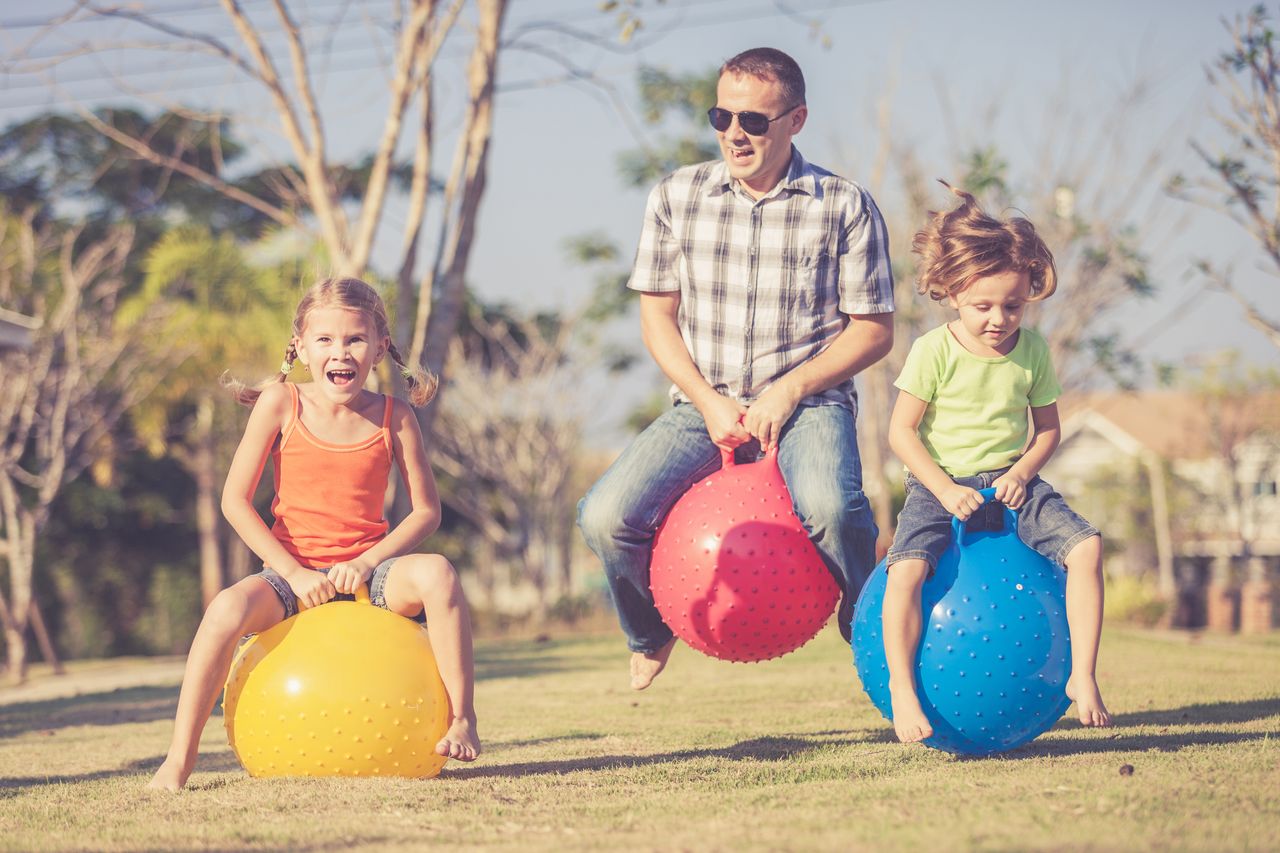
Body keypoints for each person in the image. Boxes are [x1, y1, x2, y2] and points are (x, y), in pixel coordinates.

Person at [577, 47, 895, 690]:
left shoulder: (844, 205)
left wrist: (792, 389)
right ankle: (648, 631)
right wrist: (709, 401)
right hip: (704, 404)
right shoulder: (675, 195)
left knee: (832, 506)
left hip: (811, 403)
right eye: (721, 116)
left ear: (796, 119)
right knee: (604, 516)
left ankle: (868, 625)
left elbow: (874, 330)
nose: (733, 133)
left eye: (753, 120)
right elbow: (657, 318)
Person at [148, 277, 480, 791]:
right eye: (325, 340)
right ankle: (179, 760)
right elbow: (234, 502)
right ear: (301, 348)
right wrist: (295, 573)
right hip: (290, 577)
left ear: (379, 348)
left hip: (372, 578)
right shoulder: (281, 403)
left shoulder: (397, 416)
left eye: (354, 339)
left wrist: (368, 563)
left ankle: (463, 719)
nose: (340, 351)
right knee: (223, 612)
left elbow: (426, 513)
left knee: (438, 572)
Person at [882, 183, 1112, 743]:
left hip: (1013, 483)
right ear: (953, 294)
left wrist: (1021, 473)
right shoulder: (933, 351)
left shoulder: (1031, 351)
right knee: (906, 571)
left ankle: (1082, 674)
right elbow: (901, 432)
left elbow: (1049, 429)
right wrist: (941, 488)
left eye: (1012, 305)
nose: (998, 318)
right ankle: (902, 687)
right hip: (939, 484)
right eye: (982, 306)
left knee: (1087, 548)